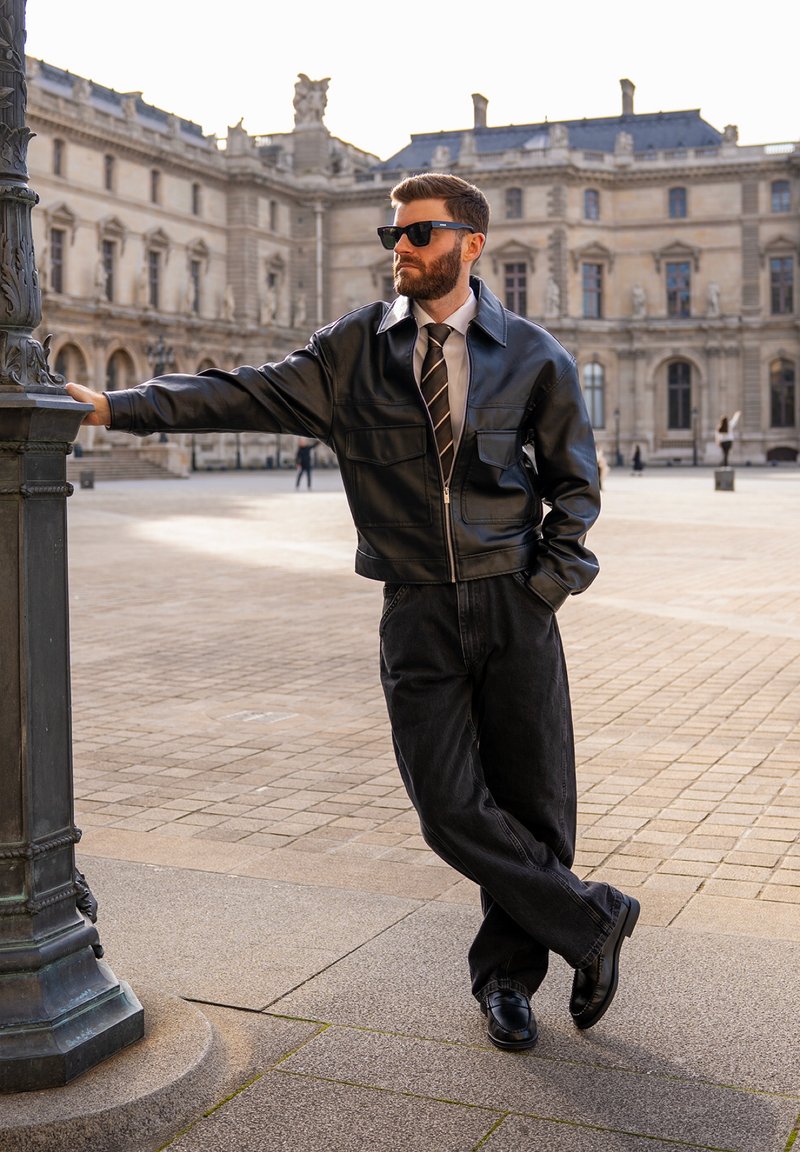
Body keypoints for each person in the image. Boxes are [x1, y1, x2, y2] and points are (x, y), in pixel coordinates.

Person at [66, 172, 639, 1052]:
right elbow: (242, 391)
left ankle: (508, 981)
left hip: (513, 599)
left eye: (415, 235)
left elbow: (576, 486)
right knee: (448, 805)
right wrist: (116, 407)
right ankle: (592, 923)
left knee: (534, 802)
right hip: (415, 605)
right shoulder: (351, 353)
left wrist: (550, 583)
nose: (397, 250)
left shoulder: (533, 354)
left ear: (468, 246)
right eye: (390, 236)